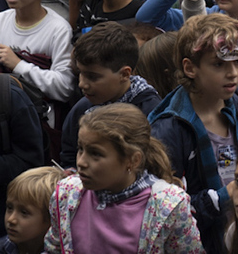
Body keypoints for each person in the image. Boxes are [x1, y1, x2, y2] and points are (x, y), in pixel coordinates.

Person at [148, 15, 238, 252]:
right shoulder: (169, 128)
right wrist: (221, 197)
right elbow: (165, 209)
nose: (233, 73)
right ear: (190, 67)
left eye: (237, 61)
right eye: (219, 64)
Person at [46, 103, 203, 252]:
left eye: (95, 154)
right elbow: (53, 249)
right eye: (80, 149)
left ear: (133, 160)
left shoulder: (168, 206)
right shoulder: (67, 195)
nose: (81, 162)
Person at [60, 22, 161, 167]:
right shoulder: (83, 108)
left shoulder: (151, 112)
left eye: (93, 77)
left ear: (125, 74)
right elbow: (68, 154)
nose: (82, 83)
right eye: (80, 73)